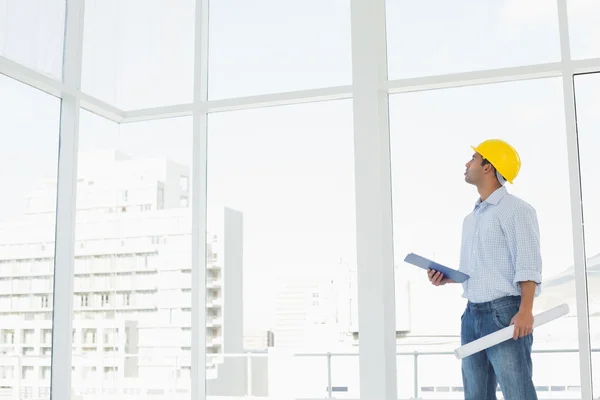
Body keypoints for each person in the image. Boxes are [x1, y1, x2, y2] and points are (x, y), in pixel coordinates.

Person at [428, 139, 542, 400]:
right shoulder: (472, 218)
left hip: (504, 314)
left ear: (489, 167)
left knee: (518, 393)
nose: (467, 164)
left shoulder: (517, 210)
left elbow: (528, 264)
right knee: (476, 394)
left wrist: (525, 311)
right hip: (472, 314)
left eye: (474, 159)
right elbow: (479, 269)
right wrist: (448, 279)